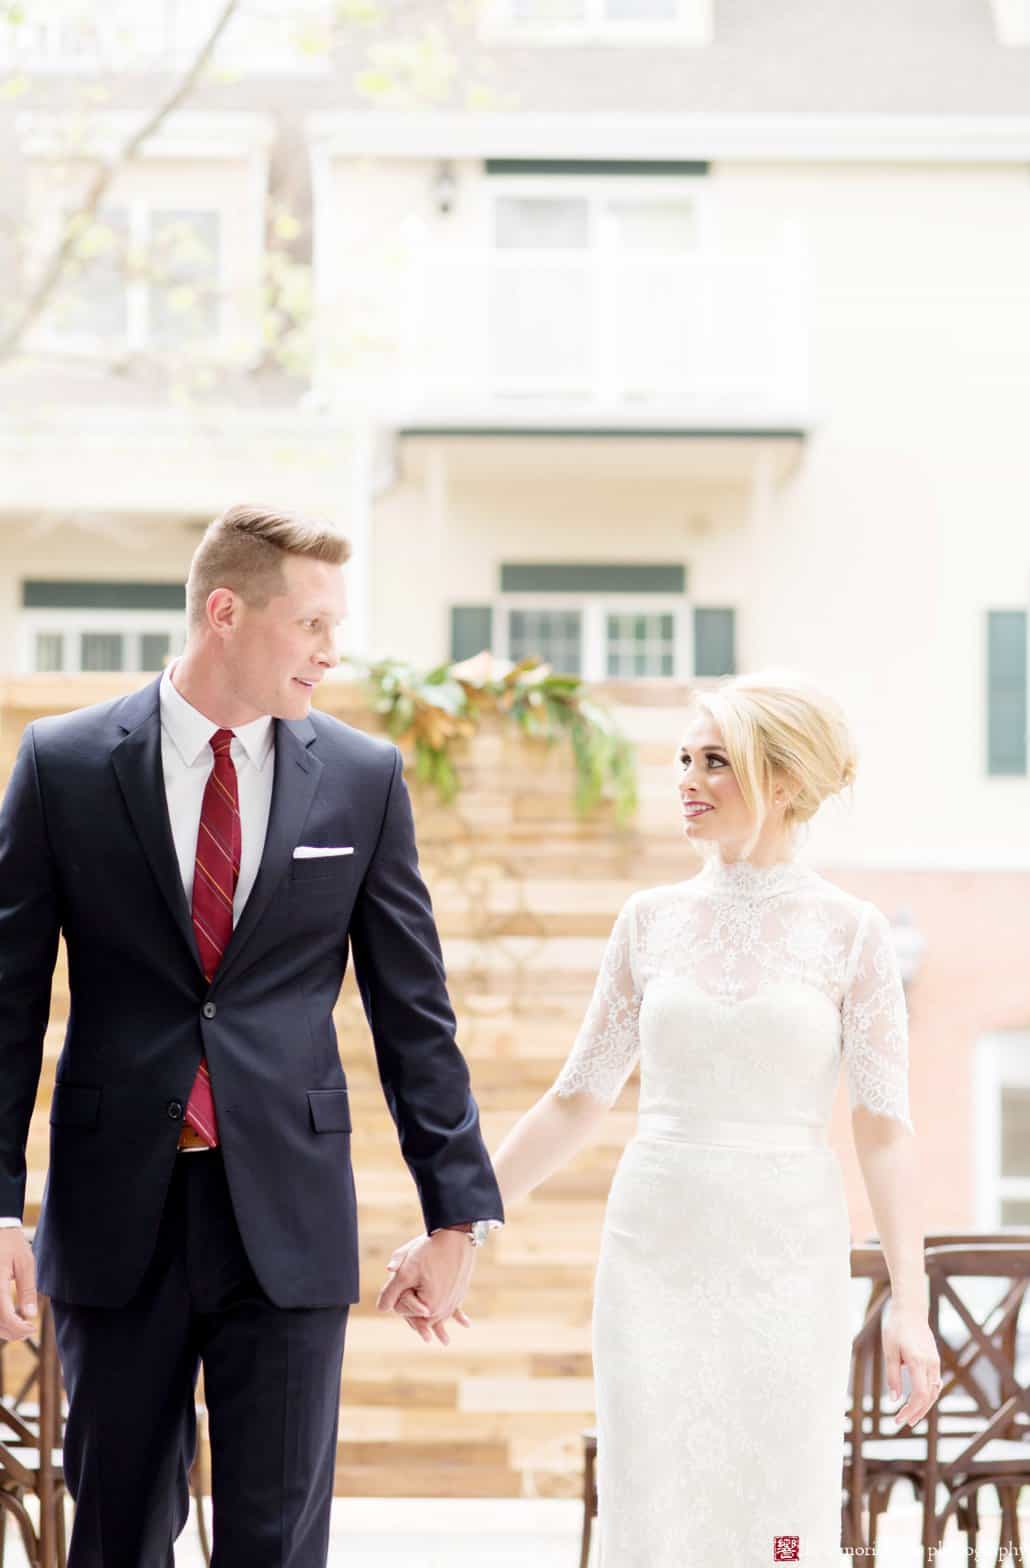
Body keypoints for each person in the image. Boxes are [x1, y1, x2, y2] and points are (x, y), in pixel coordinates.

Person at [0, 503, 503, 1567]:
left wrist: (456, 1213)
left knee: (275, 1543)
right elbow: (7, 1002)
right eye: (313, 622)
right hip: (114, 1212)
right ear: (225, 612)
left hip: (286, 1213)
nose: (333, 649)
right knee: (116, 1530)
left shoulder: (363, 779)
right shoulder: (66, 763)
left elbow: (414, 1009)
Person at [390, 668, 942, 1564]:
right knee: (653, 1508)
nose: (686, 779)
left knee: (779, 1518)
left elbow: (884, 1134)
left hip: (787, 1255)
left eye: (715, 761)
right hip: (656, 1248)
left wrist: (910, 1311)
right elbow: (574, 1103)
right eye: (683, 758)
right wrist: (460, 1223)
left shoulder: (853, 933)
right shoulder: (648, 922)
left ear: (787, 782)